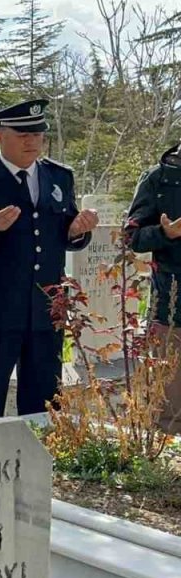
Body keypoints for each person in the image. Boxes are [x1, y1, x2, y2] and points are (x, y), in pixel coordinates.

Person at [0, 99, 99, 420]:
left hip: (44, 311)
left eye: (37, 134)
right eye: (22, 134)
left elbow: (63, 234)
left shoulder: (58, 176)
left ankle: (40, 465)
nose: (32, 141)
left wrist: (77, 232)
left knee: (44, 405)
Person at [125, 140, 181, 433]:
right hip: (173, 308)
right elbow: (131, 237)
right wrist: (164, 233)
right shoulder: (159, 178)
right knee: (168, 406)